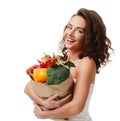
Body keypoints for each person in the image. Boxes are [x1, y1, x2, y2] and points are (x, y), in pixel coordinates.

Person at [24, 8, 113, 121]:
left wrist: (44, 114)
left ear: (88, 37)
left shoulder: (86, 62)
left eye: (79, 31)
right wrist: (45, 103)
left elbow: (77, 107)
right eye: (69, 27)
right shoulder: (56, 60)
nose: (70, 34)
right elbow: (28, 87)